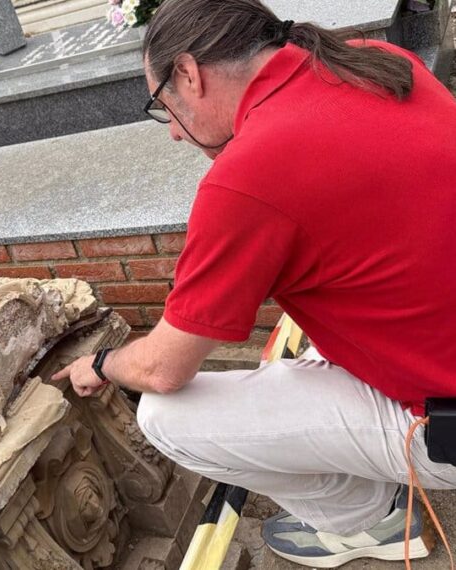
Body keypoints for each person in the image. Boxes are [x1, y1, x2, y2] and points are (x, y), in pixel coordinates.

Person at [53, 0, 456, 566]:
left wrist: (101, 364)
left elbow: (163, 368)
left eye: (162, 106)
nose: (174, 134)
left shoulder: (248, 175)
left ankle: (369, 522)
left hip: (441, 418)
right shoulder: (374, 59)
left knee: (167, 416)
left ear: (188, 74)